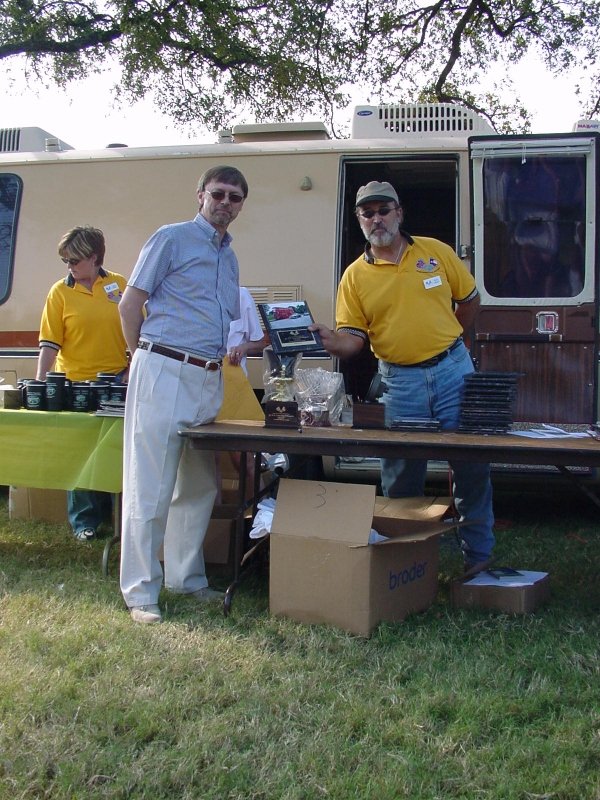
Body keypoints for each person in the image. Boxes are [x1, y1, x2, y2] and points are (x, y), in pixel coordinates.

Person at [310, 181, 495, 572]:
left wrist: (449, 338)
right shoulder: (354, 277)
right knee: (400, 476)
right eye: (367, 212)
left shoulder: (436, 252)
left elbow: (470, 300)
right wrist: (331, 341)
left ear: (399, 213)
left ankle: (478, 563)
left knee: (472, 467)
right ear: (359, 220)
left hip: (454, 373)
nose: (376, 218)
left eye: (383, 209)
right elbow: (354, 340)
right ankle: (407, 567)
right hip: (400, 382)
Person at [118, 165, 249, 624]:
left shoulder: (229, 258)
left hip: (207, 378)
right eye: (219, 193)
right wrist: (143, 359)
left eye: (235, 197)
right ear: (200, 195)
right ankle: (140, 592)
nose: (226, 203)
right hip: (163, 368)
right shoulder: (170, 238)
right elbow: (130, 304)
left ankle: (185, 579)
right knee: (149, 488)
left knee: (198, 486)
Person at [36, 226, 128, 542]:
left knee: (113, 450)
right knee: (84, 452)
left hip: (116, 382)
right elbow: (49, 342)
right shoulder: (59, 292)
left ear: (94, 257)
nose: (70, 267)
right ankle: (84, 522)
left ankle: (115, 517)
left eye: (74, 260)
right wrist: (40, 382)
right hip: (75, 384)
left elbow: (138, 329)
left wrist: (132, 367)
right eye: (66, 261)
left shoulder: (119, 284)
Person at [227, 286, 270, 374]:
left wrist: (244, 347)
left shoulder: (241, 294)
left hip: (233, 375)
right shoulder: (193, 296)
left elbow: (260, 344)